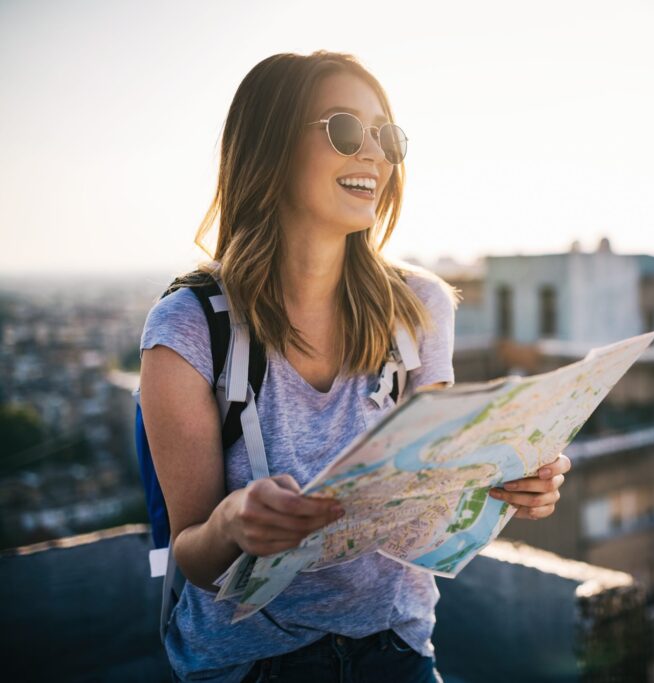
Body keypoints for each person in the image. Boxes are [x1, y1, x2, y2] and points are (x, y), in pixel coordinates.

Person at [138, 50, 572, 683]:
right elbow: (195, 557)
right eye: (345, 129)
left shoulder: (418, 307)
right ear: (271, 148)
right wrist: (233, 520)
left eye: (387, 136)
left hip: (395, 649)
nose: (374, 154)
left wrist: (512, 476)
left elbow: (432, 494)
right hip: (248, 667)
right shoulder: (186, 328)